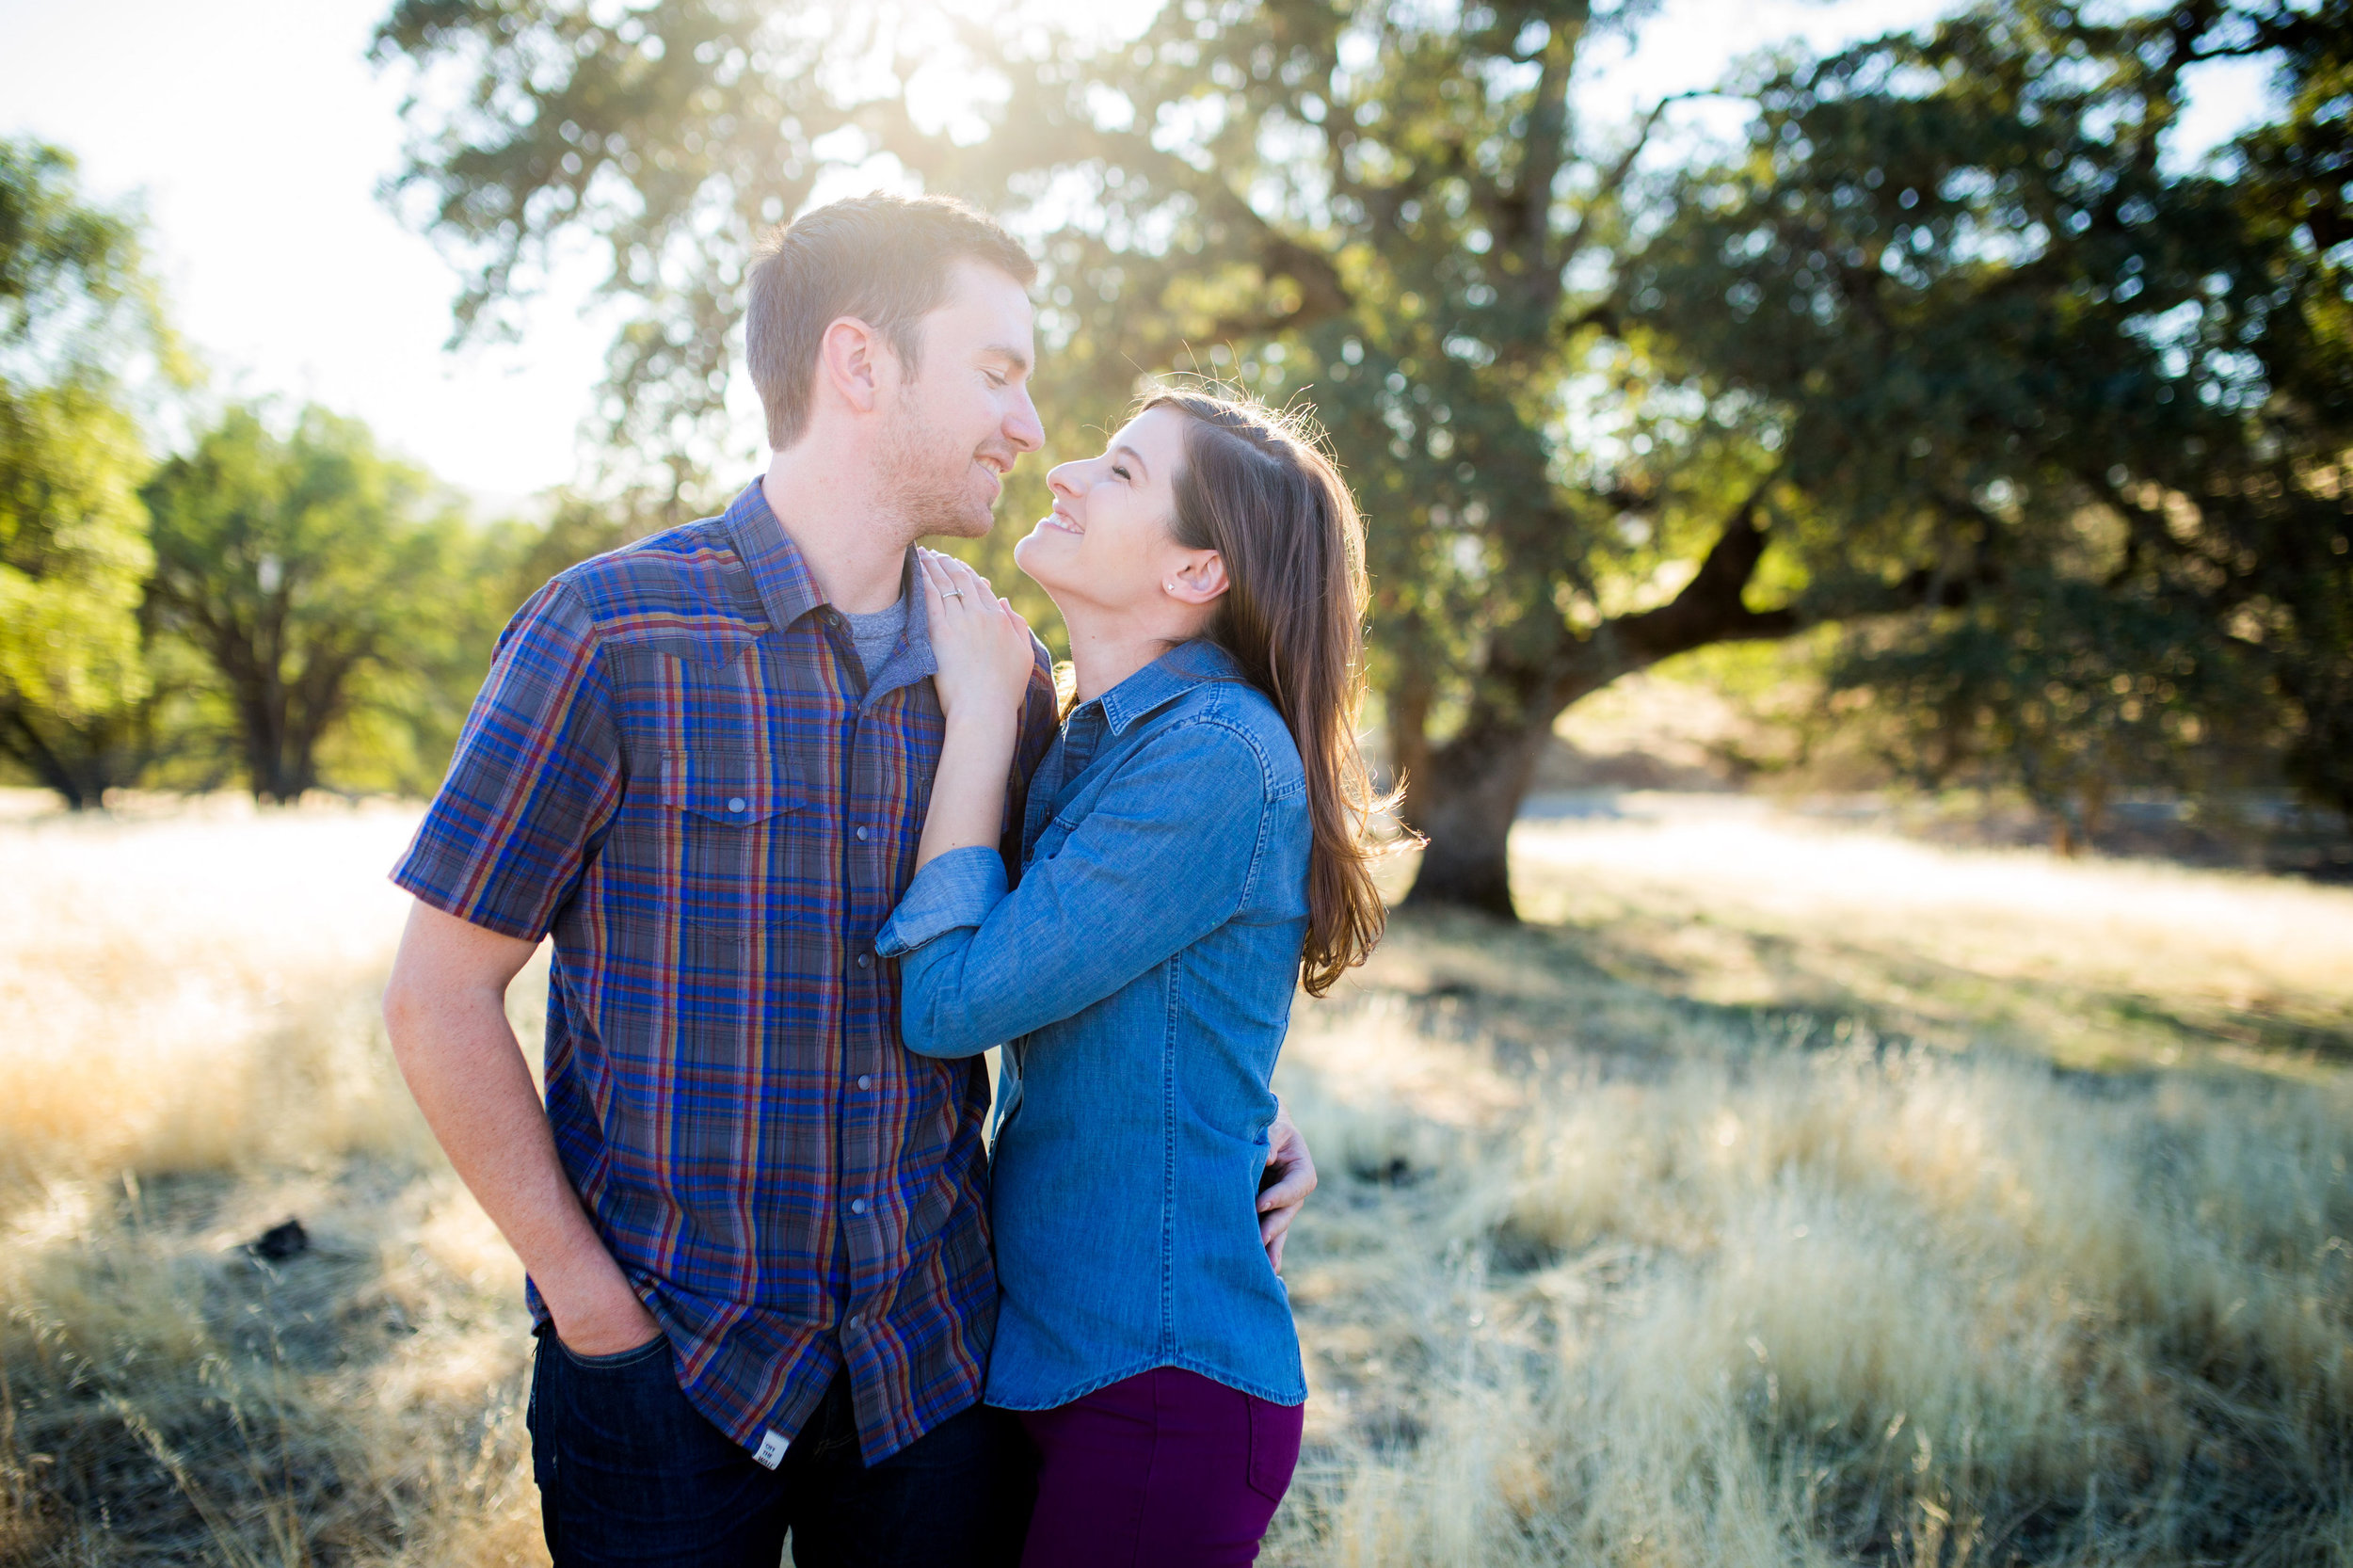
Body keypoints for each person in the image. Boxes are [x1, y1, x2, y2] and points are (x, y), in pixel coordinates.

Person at [377, 196, 1320, 1568]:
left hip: (935, 1374)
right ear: (862, 365)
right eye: (997, 371)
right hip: (669, 1366)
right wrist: (592, 1310)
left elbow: (1096, 947)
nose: (1030, 427)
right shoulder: (608, 633)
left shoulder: (999, 675)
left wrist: (1249, 1116)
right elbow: (439, 994)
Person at [874, 388, 1391, 1567]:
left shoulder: (1213, 753)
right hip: (1058, 1360)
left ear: (1198, 569)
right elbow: (1153, 1000)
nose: (1063, 473)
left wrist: (977, 715)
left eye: (1117, 472)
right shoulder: (1114, 740)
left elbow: (950, 1003)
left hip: (1160, 1393)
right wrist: (1253, 1108)